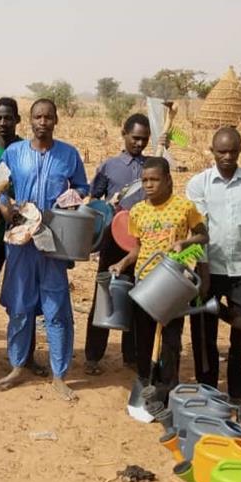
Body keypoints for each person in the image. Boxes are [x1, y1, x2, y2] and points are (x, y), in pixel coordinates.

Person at [0, 98, 88, 401]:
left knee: (56, 308)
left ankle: (59, 374)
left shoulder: (69, 154)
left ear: (56, 120)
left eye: (48, 117)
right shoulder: (14, 153)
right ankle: (17, 365)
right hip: (21, 240)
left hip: (54, 240)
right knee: (20, 306)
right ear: (30, 120)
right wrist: (6, 208)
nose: (43, 122)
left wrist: (70, 199)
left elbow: (82, 188)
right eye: (38, 117)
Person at [185, 126, 241, 399]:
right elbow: (199, 230)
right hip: (208, 269)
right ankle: (207, 390)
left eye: (233, 151)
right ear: (212, 151)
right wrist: (204, 270)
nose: (227, 157)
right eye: (222, 152)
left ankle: (238, 394)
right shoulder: (199, 184)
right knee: (203, 332)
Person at [110, 157, 207, 390]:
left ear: (168, 180)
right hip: (145, 283)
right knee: (143, 338)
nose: (149, 185)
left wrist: (185, 243)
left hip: (173, 284)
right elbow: (137, 248)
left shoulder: (184, 207)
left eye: (154, 180)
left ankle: (168, 386)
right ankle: (146, 382)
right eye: (145, 180)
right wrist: (122, 263)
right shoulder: (137, 211)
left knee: (171, 340)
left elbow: (203, 236)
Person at [83, 113, 155, 374]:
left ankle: (131, 356)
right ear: (124, 134)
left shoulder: (153, 166)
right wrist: (108, 207)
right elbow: (94, 201)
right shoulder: (109, 166)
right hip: (113, 241)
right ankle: (93, 356)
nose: (139, 143)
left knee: (138, 297)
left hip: (145, 243)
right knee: (104, 294)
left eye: (144, 139)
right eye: (135, 138)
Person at [0, 97, 46, 375]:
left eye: (9, 118)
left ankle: (26, 355)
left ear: (18, 120)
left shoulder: (26, 150)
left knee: (24, 295)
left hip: (23, 236)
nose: (4, 123)